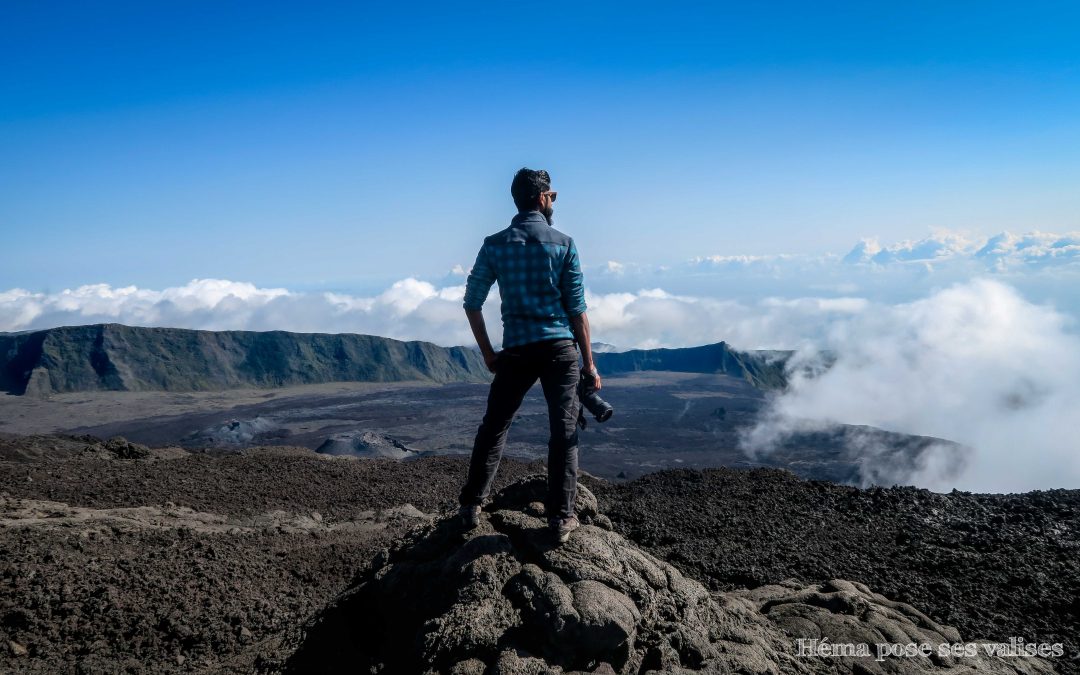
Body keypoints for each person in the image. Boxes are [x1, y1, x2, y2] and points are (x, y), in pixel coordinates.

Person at [458, 167, 601, 543]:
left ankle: (471, 505)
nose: (553, 201)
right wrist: (589, 364)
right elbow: (577, 310)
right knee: (564, 432)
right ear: (541, 198)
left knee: (494, 427)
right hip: (559, 350)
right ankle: (560, 519)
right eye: (551, 196)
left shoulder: (494, 244)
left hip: (517, 350)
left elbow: (472, 303)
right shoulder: (564, 244)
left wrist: (489, 354)